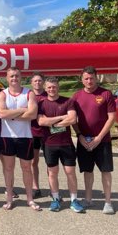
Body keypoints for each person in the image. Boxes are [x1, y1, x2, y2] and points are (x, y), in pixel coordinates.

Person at [72, 66, 116, 214]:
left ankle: (108, 203)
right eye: (86, 78)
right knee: (87, 171)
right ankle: (88, 199)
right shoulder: (76, 96)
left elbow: (111, 118)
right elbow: (72, 119)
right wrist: (79, 135)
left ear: (96, 77)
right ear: (82, 79)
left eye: (91, 78)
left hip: (102, 140)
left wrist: (99, 138)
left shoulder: (106, 94)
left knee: (105, 171)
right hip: (84, 140)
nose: (89, 81)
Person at [37, 77, 85, 213]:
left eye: (54, 87)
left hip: (66, 144)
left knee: (70, 172)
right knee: (52, 173)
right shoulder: (41, 103)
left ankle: (74, 200)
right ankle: (56, 199)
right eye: (49, 87)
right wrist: (61, 118)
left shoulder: (68, 101)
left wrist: (51, 122)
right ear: (46, 88)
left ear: (58, 87)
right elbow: (41, 122)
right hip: (49, 144)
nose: (52, 89)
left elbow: (72, 118)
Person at [0, 67, 40, 211]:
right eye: (11, 76)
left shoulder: (29, 93)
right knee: (8, 168)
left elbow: (32, 115)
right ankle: (9, 198)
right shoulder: (2, 94)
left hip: (25, 136)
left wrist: (11, 115)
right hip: (7, 136)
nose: (14, 78)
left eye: (17, 76)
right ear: (7, 78)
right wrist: (22, 110)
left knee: (26, 168)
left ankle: (30, 199)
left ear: (21, 77)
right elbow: (1, 114)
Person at [30, 72, 47, 199]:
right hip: (32, 133)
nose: (37, 83)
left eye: (40, 80)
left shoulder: (49, 95)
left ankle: (53, 188)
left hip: (48, 133)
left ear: (43, 82)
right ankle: (35, 187)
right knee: (33, 161)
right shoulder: (28, 96)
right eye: (35, 81)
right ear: (31, 83)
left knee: (51, 163)